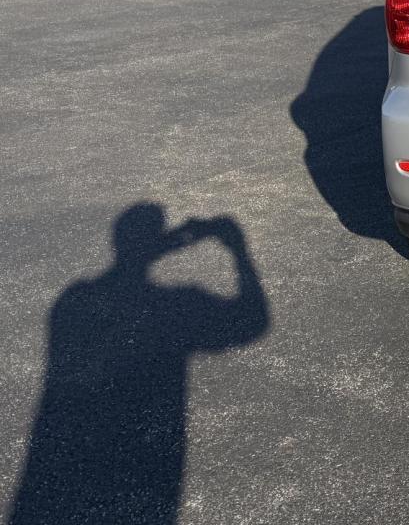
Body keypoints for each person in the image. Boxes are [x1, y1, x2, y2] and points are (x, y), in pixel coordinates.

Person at [8, 204, 269, 525]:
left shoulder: (73, 300)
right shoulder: (177, 304)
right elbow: (252, 321)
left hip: (58, 463)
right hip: (146, 463)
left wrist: (157, 249)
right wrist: (238, 251)